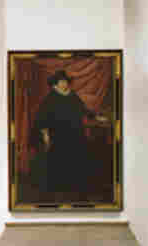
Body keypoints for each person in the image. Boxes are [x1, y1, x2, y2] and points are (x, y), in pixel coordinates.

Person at [28, 69, 109, 203]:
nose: (64, 84)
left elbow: (83, 109)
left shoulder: (72, 95)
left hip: (75, 133)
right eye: (61, 81)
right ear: (56, 83)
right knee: (59, 161)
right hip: (59, 135)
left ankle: (75, 188)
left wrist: (96, 117)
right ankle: (58, 189)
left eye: (65, 81)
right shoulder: (50, 98)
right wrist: (45, 134)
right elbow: (42, 117)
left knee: (77, 159)